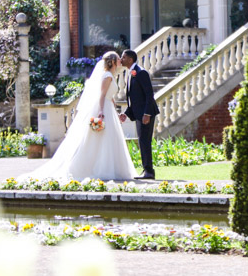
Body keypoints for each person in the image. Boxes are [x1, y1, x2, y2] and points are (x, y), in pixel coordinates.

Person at [18, 52, 136, 182]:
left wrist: (117, 112)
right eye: (118, 58)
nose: (120, 60)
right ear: (113, 61)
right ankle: (94, 168)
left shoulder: (112, 76)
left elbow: (110, 97)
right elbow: (101, 95)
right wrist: (101, 111)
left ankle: (111, 168)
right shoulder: (107, 76)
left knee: (110, 138)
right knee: (99, 138)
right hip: (103, 108)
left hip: (109, 108)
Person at [119, 49, 159, 179]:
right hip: (139, 113)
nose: (121, 59)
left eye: (123, 57)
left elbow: (149, 94)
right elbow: (134, 98)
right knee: (142, 141)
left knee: (144, 141)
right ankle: (146, 170)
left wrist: (147, 113)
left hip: (146, 114)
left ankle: (149, 171)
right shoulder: (131, 73)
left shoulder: (141, 73)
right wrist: (126, 113)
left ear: (130, 59)